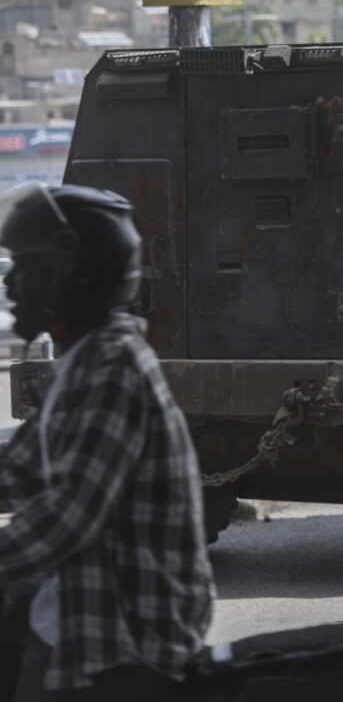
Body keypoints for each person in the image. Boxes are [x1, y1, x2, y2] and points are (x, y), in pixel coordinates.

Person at [0, 184, 214, 700]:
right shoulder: (81, 362)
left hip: (122, 631)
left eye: (25, 268)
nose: (9, 284)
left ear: (73, 273)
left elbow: (66, 517)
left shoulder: (112, 367)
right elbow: (18, 470)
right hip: (82, 601)